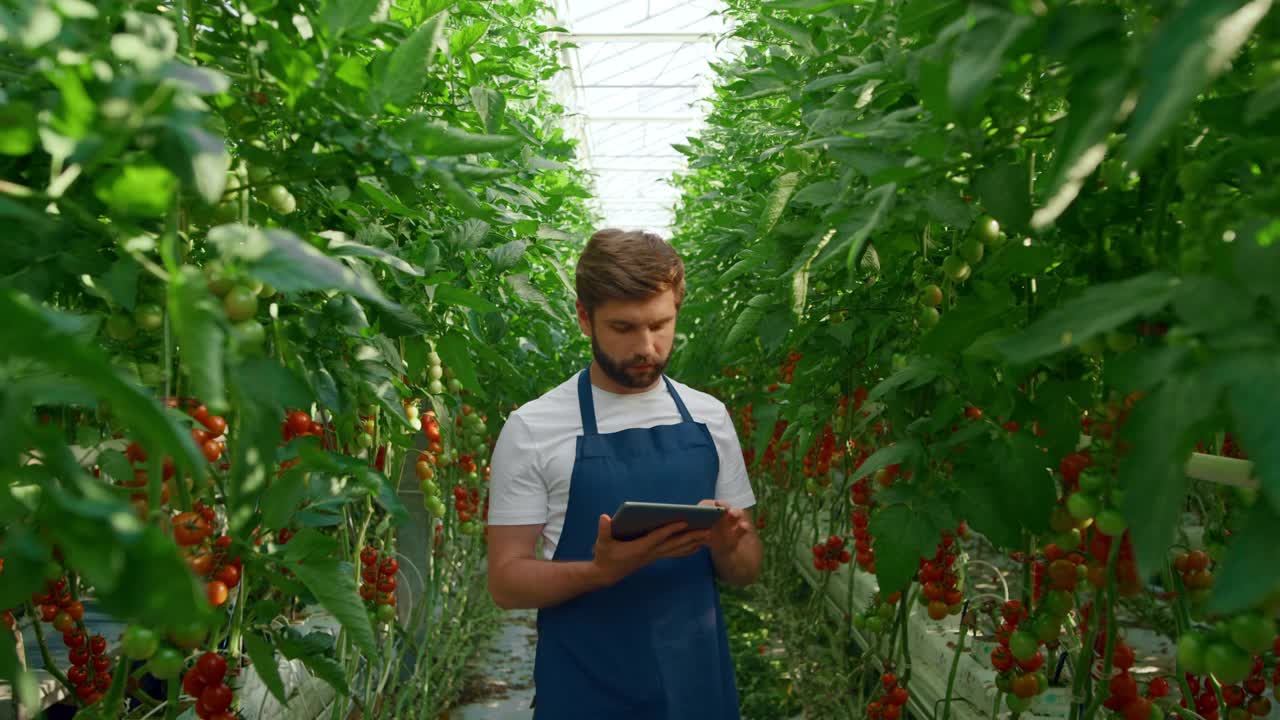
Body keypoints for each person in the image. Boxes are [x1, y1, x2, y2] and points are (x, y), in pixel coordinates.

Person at [485, 228, 763, 719]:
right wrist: (601, 571)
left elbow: (745, 572)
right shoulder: (533, 428)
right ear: (583, 318)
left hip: (697, 686)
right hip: (585, 687)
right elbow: (506, 582)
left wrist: (731, 543)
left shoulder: (708, 417)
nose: (647, 347)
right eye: (624, 328)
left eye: (661, 324)